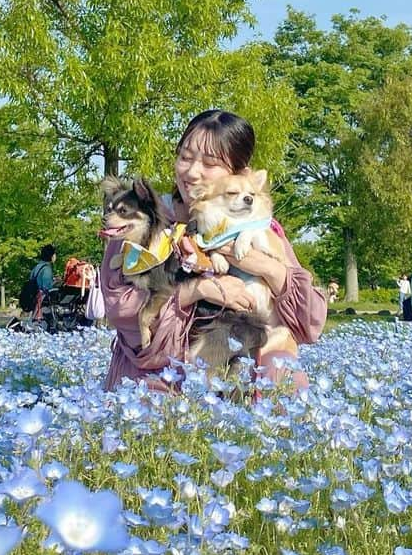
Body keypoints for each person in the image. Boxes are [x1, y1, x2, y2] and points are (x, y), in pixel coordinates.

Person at [100, 110, 326, 394]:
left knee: (282, 374)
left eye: (209, 163)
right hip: (155, 381)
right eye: (184, 157)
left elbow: (310, 321)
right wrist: (199, 289)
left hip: (244, 373)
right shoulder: (144, 221)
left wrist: (262, 265)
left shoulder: (258, 227)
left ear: (239, 173)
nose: (192, 172)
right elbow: (123, 311)